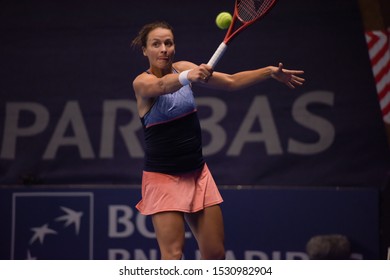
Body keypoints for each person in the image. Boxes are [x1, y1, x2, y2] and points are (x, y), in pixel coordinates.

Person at [131, 21, 305, 260]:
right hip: (163, 178)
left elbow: (231, 82)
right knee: (172, 256)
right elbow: (161, 86)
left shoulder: (183, 68)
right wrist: (188, 76)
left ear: (174, 47)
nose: (163, 49)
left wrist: (269, 72)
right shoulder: (142, 82)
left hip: (197, 174)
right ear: (145, 50)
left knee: (215, 255)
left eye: (168, 43)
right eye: (156, 44)